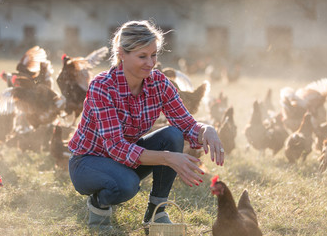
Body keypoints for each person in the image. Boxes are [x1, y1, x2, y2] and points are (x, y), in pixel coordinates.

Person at [68, 20, 225, 233]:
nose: (150, 63)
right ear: (121, 53)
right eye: (142, 56)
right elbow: (116, 147)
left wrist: (206, 129)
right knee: (126, 184)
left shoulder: (158, 83)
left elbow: (185, 124)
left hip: (123, 160)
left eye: (154, 55)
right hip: (87, 162)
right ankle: (99, 210)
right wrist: (169, 158)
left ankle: (156, 213)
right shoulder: (102, 87)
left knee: (173, 135)